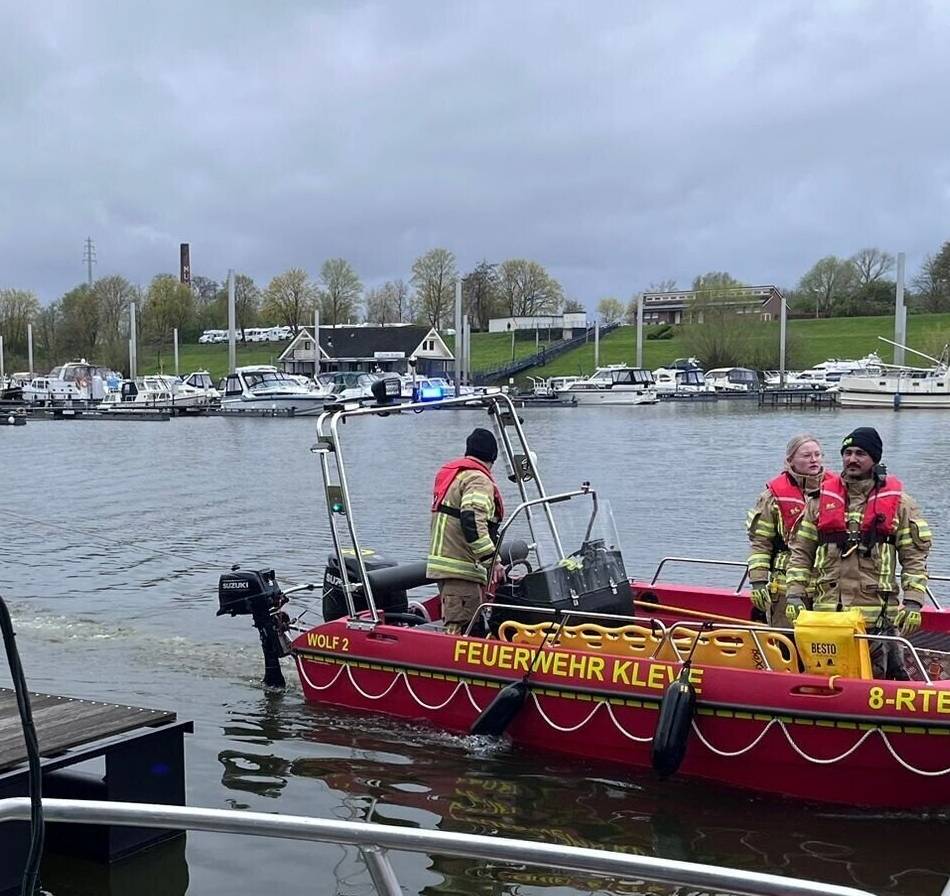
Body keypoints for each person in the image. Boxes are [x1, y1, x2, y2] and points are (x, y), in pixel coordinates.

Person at [785, 427, 932, 679]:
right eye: (848, 452)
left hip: (875, 619)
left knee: (879, 681)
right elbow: (801, 552)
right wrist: (795, 596)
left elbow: (914, 558)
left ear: (874, 458)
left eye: (860, 453)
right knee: (824, 679)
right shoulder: (819, 501)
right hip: (827, 615)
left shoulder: (899, 503)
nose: (852, 459)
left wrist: (913, 602)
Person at [746, 434, 833, 626]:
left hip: (828, 586)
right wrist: (758, 581)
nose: (814, 459)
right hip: (785, 584)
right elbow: (761, 543)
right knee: (787, 645)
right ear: (790, 460)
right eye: (806, 455)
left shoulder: (837, 490)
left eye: (818, 454)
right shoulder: (772, 497)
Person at [426, 428, 505, 635]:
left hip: (449, 566)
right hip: (461, 569)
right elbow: (471, 519)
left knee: (466, 624)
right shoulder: (478, 480)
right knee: (462, 629)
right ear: (493, 457)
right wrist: (492, 560)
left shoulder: (457, 476)